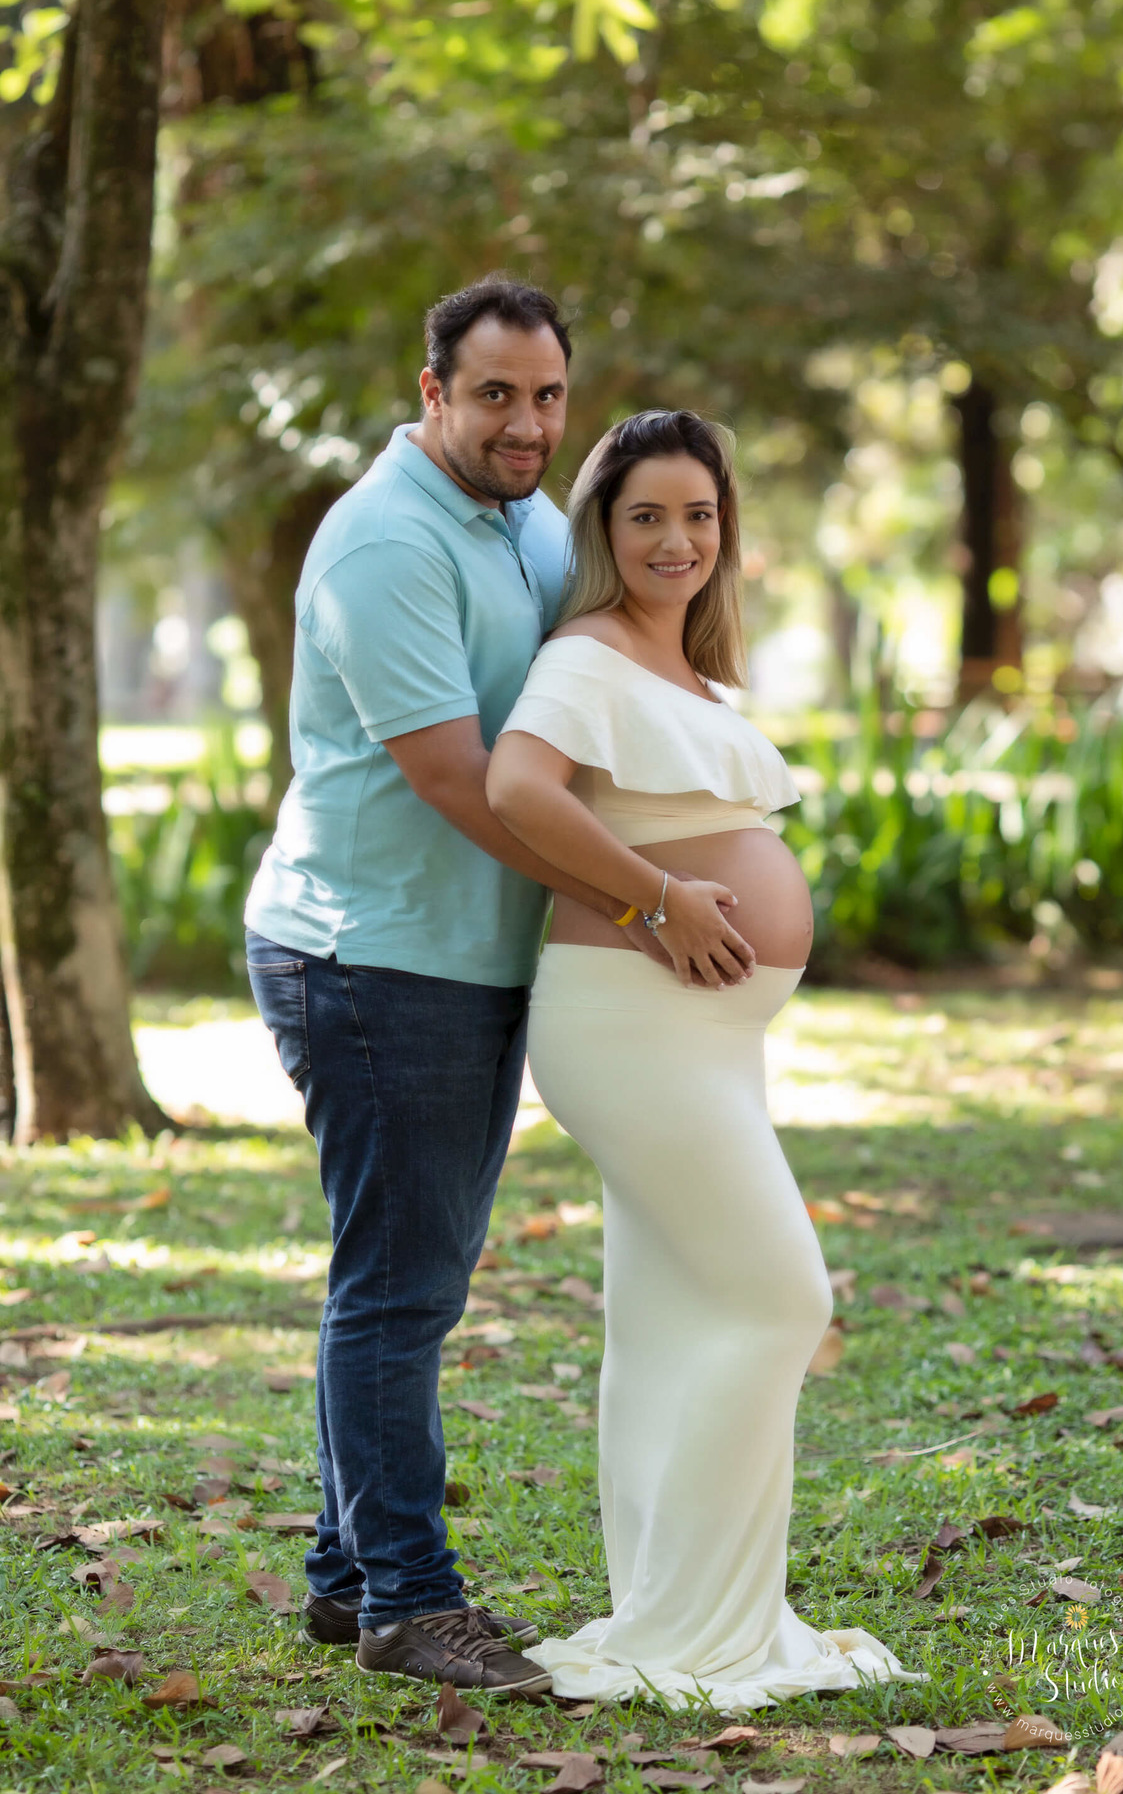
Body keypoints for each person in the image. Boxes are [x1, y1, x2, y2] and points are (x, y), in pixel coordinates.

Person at [243, 284, 754, 1692]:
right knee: (399, 1288)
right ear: (431, 390)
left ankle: (348, 1578)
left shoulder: (532, 521)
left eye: (546, 397)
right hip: (370, 955)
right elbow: (464, 781)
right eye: (494, 397)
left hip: (462, 956)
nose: (527, 425)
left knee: (410, 1274)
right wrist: (645, 900)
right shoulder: (384, 544)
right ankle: (411, 1599)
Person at [486, 409, 921, 1711]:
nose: (676, 540)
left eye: (699, 515)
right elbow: (518, 790)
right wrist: (654, 899)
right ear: (604, 531)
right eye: (646, 516)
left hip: (706, 1031)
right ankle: (698, 1621)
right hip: (633, 1017)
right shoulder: (588, 655)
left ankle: (681, 1605)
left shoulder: (687, 672)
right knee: (783, 1299)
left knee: (673, 1319)